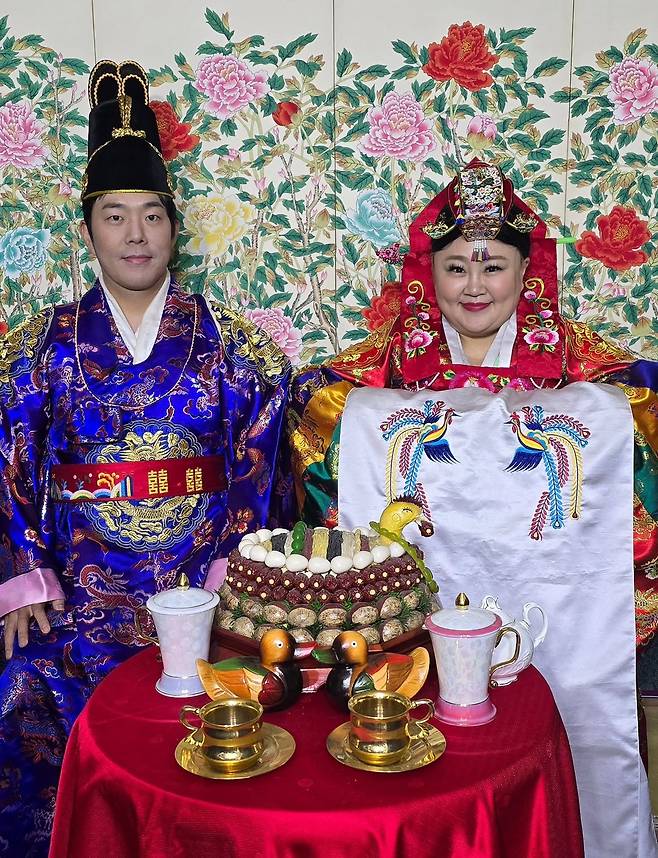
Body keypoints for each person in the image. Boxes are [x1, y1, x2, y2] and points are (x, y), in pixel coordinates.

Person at [283, 158, 658, 857]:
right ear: (429, 276)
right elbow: (319, 439)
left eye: (493, 266)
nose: (475, 286)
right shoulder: (376, 376)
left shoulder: (586, 369)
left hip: (558, 614)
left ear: (526, 272)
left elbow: (636, 435)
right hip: (425, 608)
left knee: (571, 729)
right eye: (456, 267)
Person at [0, 59, 290, 857]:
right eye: (115, 216)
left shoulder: (234, 345)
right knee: (20, 684)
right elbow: (8, 459)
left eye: (152, 215)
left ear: (174, 227)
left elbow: (261, 464)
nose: (136, 234)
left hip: (203, 593)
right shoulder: (39, 347)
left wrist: (239, 576)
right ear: (88, 230)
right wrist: (25, 577)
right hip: (80, 597)